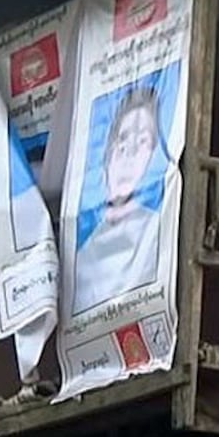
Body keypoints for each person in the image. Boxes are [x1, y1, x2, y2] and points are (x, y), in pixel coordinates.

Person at [73, 86, 163, 315]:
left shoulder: (159, 234)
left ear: (153, 155)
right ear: (108, 153)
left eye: (142, 141)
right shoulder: (81, 252)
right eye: (122, 139)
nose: (128, 153)